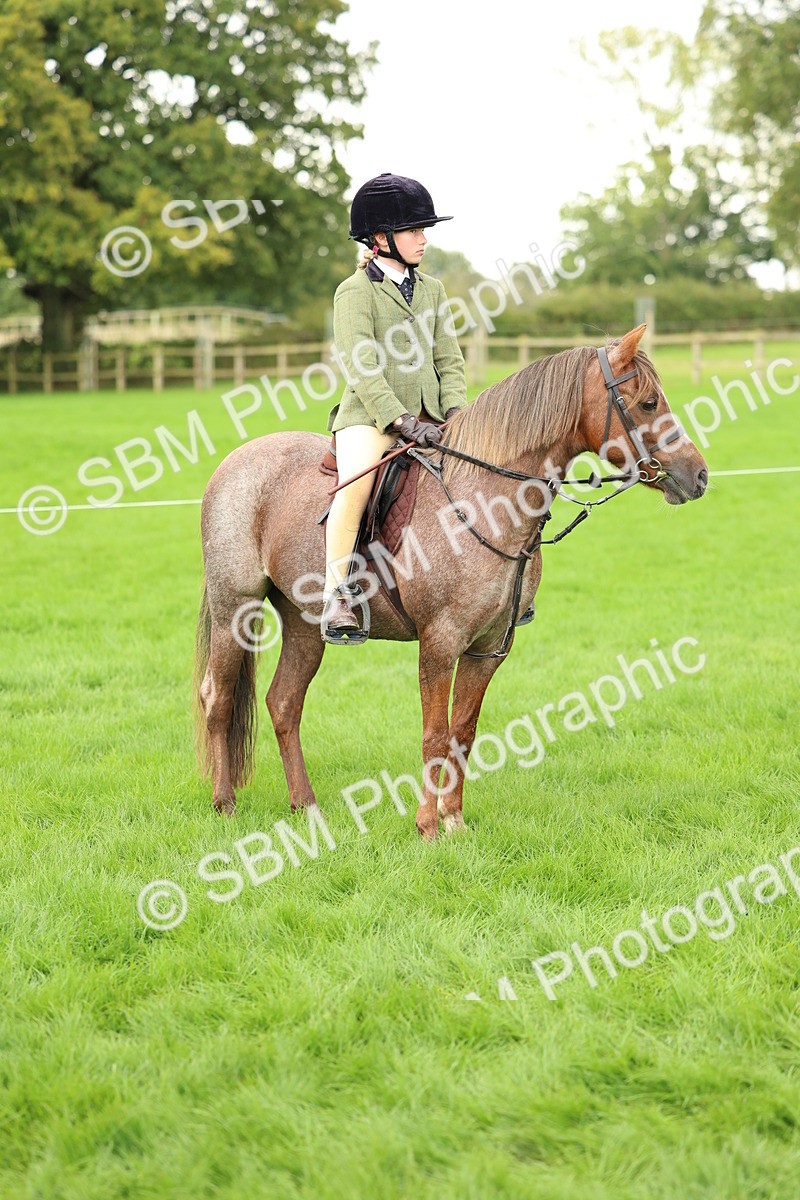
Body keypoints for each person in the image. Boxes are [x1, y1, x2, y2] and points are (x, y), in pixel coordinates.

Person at [322, 172, 467, 644]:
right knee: (355, 486)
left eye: (424, 230)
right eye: (414, 231)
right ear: (381, 238)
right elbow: (361, 366)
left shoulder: (433, 290)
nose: (423, 240)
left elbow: (449, 359)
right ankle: (337, 593)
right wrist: (400, 420)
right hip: (372, 419)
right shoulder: (354, 291)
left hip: (432, 417)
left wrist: (457, 412)